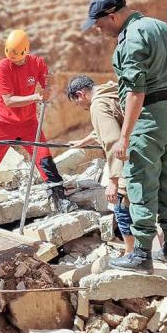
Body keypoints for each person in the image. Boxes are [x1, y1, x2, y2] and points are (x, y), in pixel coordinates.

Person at [82, 0, 167, 273]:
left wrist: (125, 136)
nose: (100, 32)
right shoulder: (162, 27)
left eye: (100, 26)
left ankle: (141, 254)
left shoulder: (129, 39)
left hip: (148, 117)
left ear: (113, 16)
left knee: (140, 183)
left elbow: (136, 91)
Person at [0, 30, 77, 214]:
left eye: (18, 58)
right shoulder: (3, 66)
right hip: (4, 122)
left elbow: (47, 84)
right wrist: (36, 96)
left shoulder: (37, 63)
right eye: (12, 58)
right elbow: (9, 100)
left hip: (28, 122)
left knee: (43, 155)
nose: (15, 61)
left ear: (26, 51)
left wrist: (47, 89)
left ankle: (59, 198)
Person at [66, 75, 134, 254]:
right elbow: (109, 123)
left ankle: (131, 253)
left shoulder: (97, 105)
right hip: (149, 151)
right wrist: (84, 140)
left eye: (78, 104)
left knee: (119, 202)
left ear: (80, 94)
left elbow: (112, 141)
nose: (82, 108)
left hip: (129, 160)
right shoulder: (111, 91)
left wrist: (113, 181)